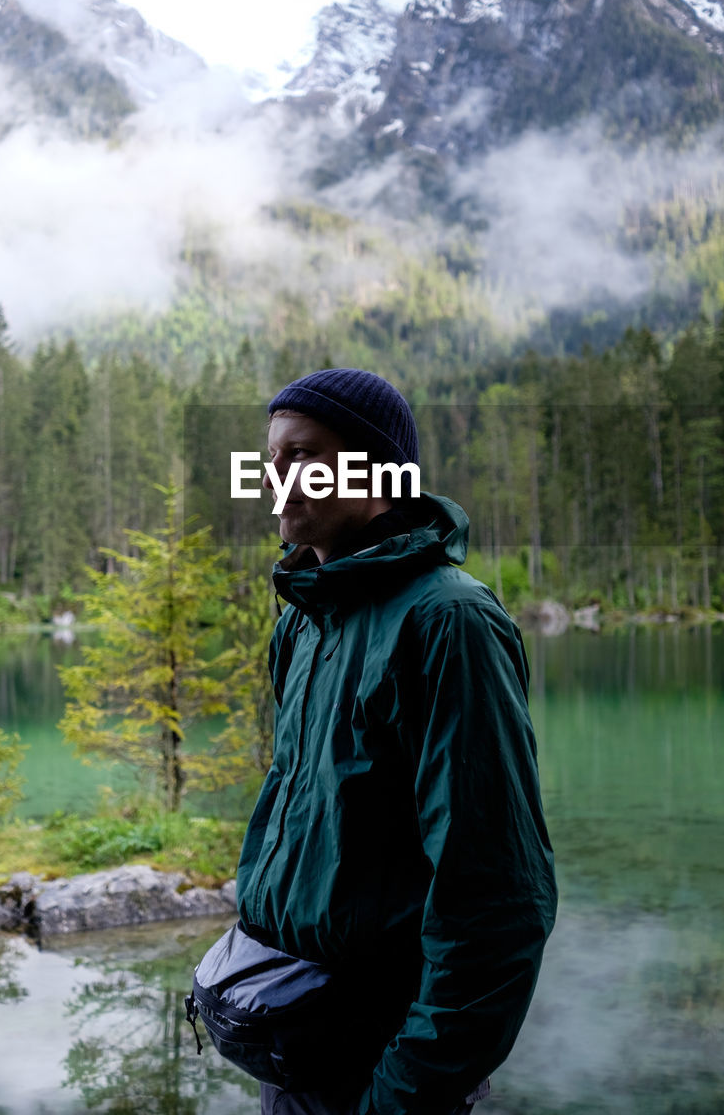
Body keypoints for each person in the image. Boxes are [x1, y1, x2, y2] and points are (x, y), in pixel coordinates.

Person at [234, 368, 557, 1115]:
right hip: (294, 1040)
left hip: (383, 1066)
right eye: (270, 459)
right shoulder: (302, 620)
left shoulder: (449, 621)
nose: (274, 478)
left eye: (303, 456)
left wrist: (408, 1090)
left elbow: (496, 896)